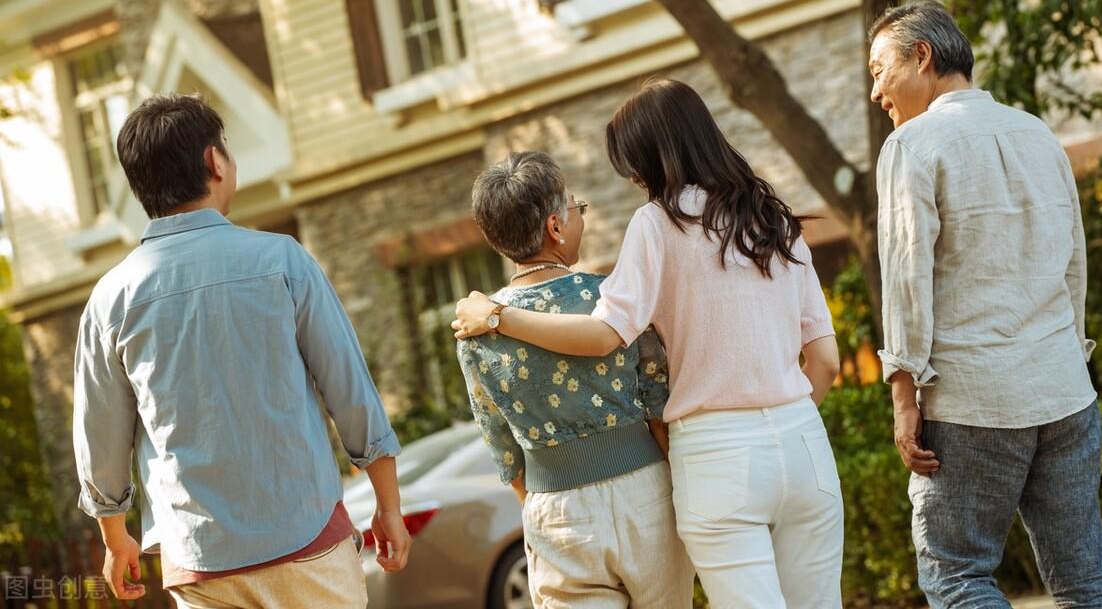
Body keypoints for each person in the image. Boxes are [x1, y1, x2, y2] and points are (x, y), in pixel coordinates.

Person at [453, 80, 844, 609]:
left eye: (632, 163)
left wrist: (498, 316)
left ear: (656, 155)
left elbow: (606, 334)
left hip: (717, 453)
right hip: (804, 440)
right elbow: (824, 361)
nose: (634, 178)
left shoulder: (658, 224)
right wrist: (779, 419)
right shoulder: (774, 217)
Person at [73, 93, 409, 607]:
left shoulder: (110, 299)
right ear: (214, 162)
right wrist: (388, 504)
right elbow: (350, 390)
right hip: (309, 541)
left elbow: (99, 434)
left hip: (200, 562)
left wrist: (115, 537)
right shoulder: (282, 261)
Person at [868, 0, 1102, 608]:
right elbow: (1073, 265)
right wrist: (1071, 353)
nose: (876, 92)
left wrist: (904, 396)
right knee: (1083, 577)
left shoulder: (912, 145)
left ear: (921, 56)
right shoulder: (1038, 132)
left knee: (955, 575)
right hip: (1064, 390)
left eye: (878, 69)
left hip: (972, 399)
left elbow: (906, 280)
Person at [458, 151, 693, 608]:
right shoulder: (611, 298)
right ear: (555, 227)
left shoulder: (475, 329)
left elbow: (502, 447)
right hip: (645, 495)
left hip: (555, 511)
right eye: (575, 207)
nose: (580, 217)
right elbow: (658, 404)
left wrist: (543, 507)